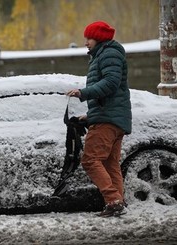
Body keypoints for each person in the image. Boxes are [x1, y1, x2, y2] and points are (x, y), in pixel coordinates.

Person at [66, 21, 132, 217]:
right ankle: (118, 202)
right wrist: (90, 115)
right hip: (112, 118)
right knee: (110, 164)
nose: (85, 42)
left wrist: (83, 93)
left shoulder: (109, 53)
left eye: (89, 38)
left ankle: (113, 200)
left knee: (91, 160)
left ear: (99, 38)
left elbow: (111, 83)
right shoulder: (104, 54)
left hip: (108, 121)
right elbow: (111, 93)